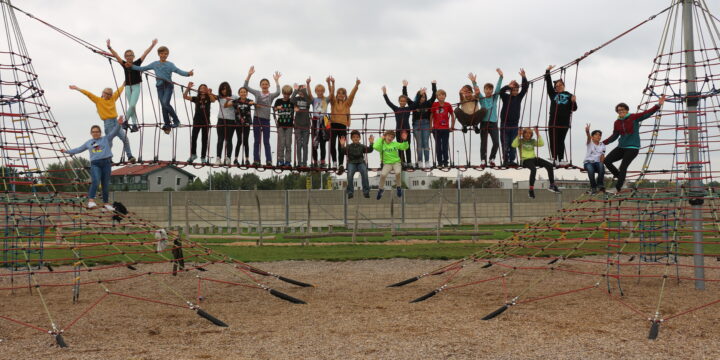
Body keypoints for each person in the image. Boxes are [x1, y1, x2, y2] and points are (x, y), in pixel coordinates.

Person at [603, 95, 665, 194]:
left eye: (623, 109)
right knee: (607, 161)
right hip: (621, 147)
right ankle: (622, 179)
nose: (621, 111)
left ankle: (618, 188)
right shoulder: (617, 122)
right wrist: (603, 143)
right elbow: (615, 135)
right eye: (619, 110)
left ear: (627, 110)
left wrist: (658, 105)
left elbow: (646, 113)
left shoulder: (633, 117)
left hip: (632, 147)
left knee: (623, 167)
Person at [61, 116, 125, 210]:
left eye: (97, 132)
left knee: (105, 184)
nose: (95, 133)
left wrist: (119, 124)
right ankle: (91, 201)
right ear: (91, 133)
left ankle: (106, 203)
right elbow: (78, 149)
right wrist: (66, 151)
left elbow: (114, 132)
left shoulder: (106, 139)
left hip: (106, 163)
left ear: (100, 132)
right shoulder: (89, 142)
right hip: (95, 164)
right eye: (93, 132)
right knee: (95, 181)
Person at [130, 45, 194, 134]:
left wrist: (188, 73)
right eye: (162, 54)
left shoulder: (170, 64)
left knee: (165, 103)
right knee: (163, 106)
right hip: (159, 87)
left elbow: (179, 71)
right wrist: (131, 66)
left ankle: (176, 121)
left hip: (168, 85)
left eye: (166, 54)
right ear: (159, 54)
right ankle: (167, 124)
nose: (164, 55)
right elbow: (142, 68)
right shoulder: (155, 64)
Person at [69, 83, 135, 163]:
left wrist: (124, 84)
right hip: (108, 124)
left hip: (116, 122)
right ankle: (109, 158)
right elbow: (88, 94)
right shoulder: (98, 100)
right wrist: (77, 88)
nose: (106, 95)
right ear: (103, 93)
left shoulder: (113, 98)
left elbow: (119, 91)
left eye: (109, 94)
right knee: (109, 142)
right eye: (106, 93)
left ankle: (130, 156)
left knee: (125, 139)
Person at [106, 38, 157, 133]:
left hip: (136, 86)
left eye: (130, 55)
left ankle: (125, 121)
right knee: (131, 106)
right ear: (125, 57)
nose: (129, 57)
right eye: (127, 56)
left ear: (133, 56)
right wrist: (109, 47)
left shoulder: (137, 63)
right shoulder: (124, 64)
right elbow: (116, 55)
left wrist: (152, 45)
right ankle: (134, 124)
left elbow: (145, 53)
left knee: (132, 105)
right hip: (128, 87)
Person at [244, 66, 281, 167]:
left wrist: (277, 81)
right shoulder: (257, 93)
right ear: (260, 85)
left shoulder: (271, 95)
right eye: (263, 84)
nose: (264, 85)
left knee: (266, 141)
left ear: (269, 85)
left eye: (266, 84)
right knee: (256, 140)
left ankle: (269, 160)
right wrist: (249, 74)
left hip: (266, 120)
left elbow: (278, 92)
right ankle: (256, 159)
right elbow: (246, 86)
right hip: (257, 119)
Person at [512, 127, 560, 199]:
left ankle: (552, 185)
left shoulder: (532, 141)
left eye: (530, 133)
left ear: (531, 135)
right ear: (523, 134)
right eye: (526, 133)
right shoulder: (520, 141)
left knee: (549, 165)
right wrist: (518, 135)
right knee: (533, 169)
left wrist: (538, 134)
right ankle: (531, 190)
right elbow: (513, 145)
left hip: (534, 158)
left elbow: (541, 143)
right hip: (525, 160)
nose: (528, 135)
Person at [544, 65, 577, 165]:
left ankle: (561, 158)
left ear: (564, 86)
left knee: (561, 140)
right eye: (557, 86)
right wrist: (547, 71)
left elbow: (574, 108)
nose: (559, 87)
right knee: (553, 139)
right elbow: (548, 84)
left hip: (564, 121)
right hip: (553, 120)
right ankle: (554, 158)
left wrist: (573, 102)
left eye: (560, 85)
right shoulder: (553, 94)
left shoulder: (569, 95)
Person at [327, 76, 360, 175]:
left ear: (345, 95)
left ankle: (341, 163)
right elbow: (331, 94)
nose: (341, 95)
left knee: (341, 145)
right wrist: (331, 84)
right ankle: (334, 162)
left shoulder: (347, 104)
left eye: (343, 93)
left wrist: (356, 85)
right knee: (332, 144)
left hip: (342, 126)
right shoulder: (333, 103)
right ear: (337, 95)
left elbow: (352, 95)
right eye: (339, 93)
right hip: (333, 125)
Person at [472, 68, 503, 167]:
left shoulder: (494, 98)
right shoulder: (482, 99)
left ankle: (491, 158)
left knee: (496, 142)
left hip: (493, 123)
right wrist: (474, 82)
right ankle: (483, 160)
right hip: (484, 123)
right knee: (484, 143)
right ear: (484, 90)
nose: (489, 91)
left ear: (492, 91)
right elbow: (477, 90)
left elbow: (498, 88)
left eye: (490, 89)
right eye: (487, 89)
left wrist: (501, 77)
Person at [499, 69, 529, 167]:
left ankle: (512, 160)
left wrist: (524, 77)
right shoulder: (506, 97)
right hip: (505, 124)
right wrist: (508, 86)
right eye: (513, 90)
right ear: (510, 90)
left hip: (514, 125)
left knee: (513, 143)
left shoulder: (519, 97)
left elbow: (525, 88)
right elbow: (501, 91)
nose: (515, 92)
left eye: (517, 90)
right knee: (505, 143)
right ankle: (505, 160)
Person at [383, 80, 416, 168]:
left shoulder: (408, 108)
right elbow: (388, 103)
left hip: (406, 130)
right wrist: (385, 94)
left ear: (406, 102)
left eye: (404, 101)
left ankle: (409, 162)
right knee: (400, 147)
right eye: (401, 101)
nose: (402, 102)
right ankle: (403, 161)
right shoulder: (396, 109)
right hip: (398, 130)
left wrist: (419, 94)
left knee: (407, 146)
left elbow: (415, 104)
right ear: (399, 101)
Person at [182, 82, 217, 164]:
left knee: (204, 139)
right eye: (201, 88)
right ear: (199, 90)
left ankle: (203, 157)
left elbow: (213, 100)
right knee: (194, 138)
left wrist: (210, 93)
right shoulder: (196, 98)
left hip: (206, 121)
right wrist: (188, 88)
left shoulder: (209, 98)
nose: (203, 89)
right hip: (197, 120)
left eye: (205, 88)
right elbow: (185, 96)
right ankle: (193, 154)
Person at [374, 130, 409, 199]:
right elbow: (375, 147)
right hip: (387, 163)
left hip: (396, 162)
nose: (390, 138)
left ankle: (398, 187)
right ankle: (381, 189)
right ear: (385, 136)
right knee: (383, 175)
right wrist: (381, 139)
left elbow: (404, 147)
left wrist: (405, 140)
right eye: (389, 136)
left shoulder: (394, 144)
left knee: (398, 172)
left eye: (392, 137)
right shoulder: (382, 145)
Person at [409, 81, 437, 169]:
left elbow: (434, 96)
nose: (422, 98)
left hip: (426, 124)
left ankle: (427, 161)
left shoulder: (428, 103)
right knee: (419, 144)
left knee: (426, 143)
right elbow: (406, 97)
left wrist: (433, 85)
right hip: (417, 125)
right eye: (421, 96)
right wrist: (404, 87)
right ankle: (420, 161)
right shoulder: (414, 105)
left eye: (424, 96)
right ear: (418, 97)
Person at [339, 130, 374, 199]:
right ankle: (350, 192)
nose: (355, 138)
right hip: (351, 163)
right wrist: (342, 145)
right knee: (349, 174)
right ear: (351, 138)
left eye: (357, 137)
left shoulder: (361, 146)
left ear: (359, 138)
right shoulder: (349, 146)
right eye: (354, 137)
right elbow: (343, 151)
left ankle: (366, 191)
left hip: (360, 162)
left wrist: (371, 143)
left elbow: (369, 150)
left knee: (364, 172)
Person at [430, 89, 455, 168]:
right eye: (439, 95)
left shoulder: (448, 104)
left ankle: (446, 162)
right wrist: (431, 127)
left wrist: (452, 126)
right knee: (438, 146)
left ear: (445, 96)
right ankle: (440, 162)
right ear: (437, 97)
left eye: (443, 95)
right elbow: (431, 115)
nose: (441, 96)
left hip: (445, 129)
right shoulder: (434, 104)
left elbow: (452, 115)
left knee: (445, 145)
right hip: (436, 129)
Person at [292, 80, 313, 168]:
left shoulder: (307, 99)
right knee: (299, 144)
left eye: (302, 90)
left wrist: (305, 90)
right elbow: (291, 99)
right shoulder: (296, 99)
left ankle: (304, 162)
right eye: (300, 90)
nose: (301, 92)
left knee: (305, 144)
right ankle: (299, 162)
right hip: (297, 125)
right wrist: (295, 90)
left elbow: (310, 101)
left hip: (306, 125)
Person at [215, 82, 236, 166]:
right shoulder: (219, 97)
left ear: (228, 89)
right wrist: (209, 93)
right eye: (222, 89)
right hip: (221, 119)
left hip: (231, 120)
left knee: (229, 139)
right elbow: (212, 99)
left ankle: (228, 158)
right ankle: (218, 158)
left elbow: (241, 99)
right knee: (220, 139)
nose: (224, 90)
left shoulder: (234, 97)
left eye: (225, 88)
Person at [232, 87, 254, 166]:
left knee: (245, 141)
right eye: (241, 92)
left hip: (247, 123)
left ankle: (247, 159)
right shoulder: (236, 101)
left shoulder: (249, 101)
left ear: (247, 93)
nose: (243, 93)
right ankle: (235, 159)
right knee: (239, 141)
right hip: (238, 123)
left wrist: (252, 103)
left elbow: (254, 103)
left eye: (244, 92)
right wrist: (228, 100)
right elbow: (226, 105)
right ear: (239, 93)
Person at [274, 85, 295, 167]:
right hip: (281, 125)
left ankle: (288, 161)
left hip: (289, 125)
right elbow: (274, 109)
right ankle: (280, 160)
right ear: (282, 93)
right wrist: (277, 107)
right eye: (285, 94)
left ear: (290, 94)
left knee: (288, 144)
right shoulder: (278, 100)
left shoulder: (292, 101)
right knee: (281, 144)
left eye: (288, 94)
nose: (286, 96)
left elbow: (296, 107)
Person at [584, 124, 606, 194]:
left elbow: (602, 156)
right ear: (592, 137)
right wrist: (587, 132)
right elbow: (588, 138)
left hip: (597, 163)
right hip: (588, 162)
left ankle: (600, 185)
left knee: (601, 165)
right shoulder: (590, 143)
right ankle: (593, 187)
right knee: (590, 170)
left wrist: (602, 167)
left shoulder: (602, 145)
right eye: (596, 135)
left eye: (599, 135)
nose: (598, 136)